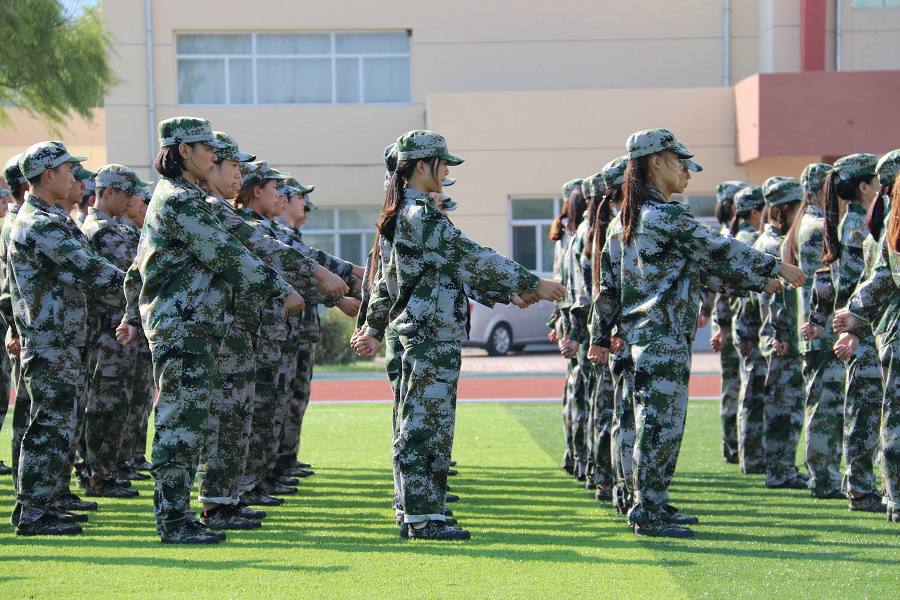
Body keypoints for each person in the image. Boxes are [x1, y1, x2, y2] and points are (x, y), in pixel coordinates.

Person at [587, 128, 806, 538]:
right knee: (662, 426)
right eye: (678, 160)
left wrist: (600, 336)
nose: (686, 169)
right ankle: (648, 511)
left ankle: (648, 501)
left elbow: (613, 288)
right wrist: (774, 268)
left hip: (640, 337)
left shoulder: (627, 222)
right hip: (663, 337)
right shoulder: (666, 217)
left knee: (646, 424)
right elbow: (717, 249)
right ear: (656, 161)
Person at [352, 130, 564, 540]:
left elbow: (443, 270)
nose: (447, 170)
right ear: (419, 166)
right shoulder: (419, 216)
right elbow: (469, 256)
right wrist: (531, 281)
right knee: (424, 426)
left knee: (419, 423)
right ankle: (421, 517)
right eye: (442, 162)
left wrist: (511, 289)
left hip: (422, 331)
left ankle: (419, 509)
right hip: (428, 334)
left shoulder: (405, 216)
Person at [116, 117, 306, 544]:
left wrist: (321, 274)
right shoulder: (178, 200)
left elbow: (247, 239)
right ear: (185, 151)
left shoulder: (186, 198)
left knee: (189, 422)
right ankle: (173, 520)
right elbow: (229, 256)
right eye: (209, 151)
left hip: (194, 326)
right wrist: (282, 291)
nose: (215, 158)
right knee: (179, 422)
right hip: (183, 327)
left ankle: (181, 514)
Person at [9, 141, 126, 536]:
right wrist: (143, 289)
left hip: (65, 338)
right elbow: (90, 269)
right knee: (49, 424)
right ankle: (34, 513)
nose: (75, 178)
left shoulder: (52, 219)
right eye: (68, 171)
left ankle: (51, 500)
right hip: (50, 340)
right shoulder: (39, 223)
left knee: (64, 422)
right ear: (47, 176)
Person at [809, 154, 884, 511]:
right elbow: (855, 280)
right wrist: (852, 325)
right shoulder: (859, 225)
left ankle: (860, 483)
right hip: (863, 328)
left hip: (858, 324)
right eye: (877, 181)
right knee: (865, 409)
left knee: (864, 406)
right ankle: (861, 487)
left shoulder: (854, 221)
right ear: (864, 187)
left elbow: (829, 280)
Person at [81, 165, 148, 499]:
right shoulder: (100, 231)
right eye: (126, 193)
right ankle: (97, 475)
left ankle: (108, 470)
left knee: (119, 402)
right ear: (108, 192)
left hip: (118, 330)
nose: (131, 199)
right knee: (105, 404)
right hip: (108, 331)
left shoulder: (115, 227)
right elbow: (127, 276)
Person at [751, 177, 808, 489]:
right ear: (786, 207)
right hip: (780, 336)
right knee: (782, 407)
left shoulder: (773, 239)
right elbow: (776, 296)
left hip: (778, 334)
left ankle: (783, 467)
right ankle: (779, 471)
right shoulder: (774, 244)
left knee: (787, 405)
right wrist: (780, 333)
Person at [708, 180, 752, 465]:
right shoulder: (731, 239)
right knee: (740, 387)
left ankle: (731, 447)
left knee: (730, 387)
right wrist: (723, 326)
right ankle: (738, 448)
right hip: (734, 323)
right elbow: (723, 290)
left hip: (725, 323)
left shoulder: (720, 235)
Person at [729, 186, 768, 474]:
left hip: (744, 327)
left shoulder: (740, 238)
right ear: (755, 211)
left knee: (750, 393)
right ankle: (752, 458)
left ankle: (749, 456)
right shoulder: (750, 241)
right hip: (751, 329)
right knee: (753, 396)